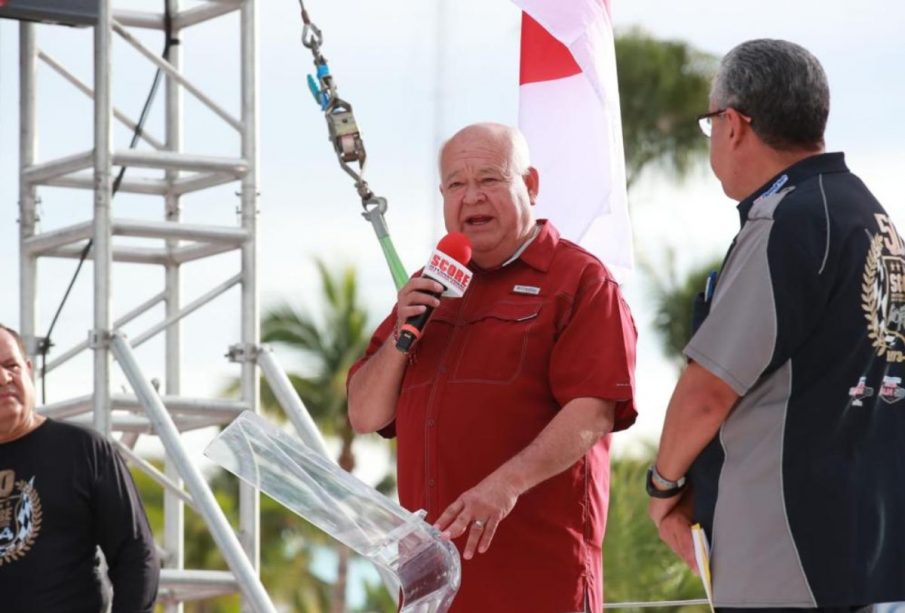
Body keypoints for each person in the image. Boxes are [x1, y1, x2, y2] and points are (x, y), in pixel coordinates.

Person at [647, 39, 905, 611]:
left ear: (734, 123)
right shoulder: (872, 217)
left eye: (710, 122)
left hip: (788, 560)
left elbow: (707, 393)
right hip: (874, 556)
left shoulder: (787, 222)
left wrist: (663, 486)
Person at [347, 122, 637, 612]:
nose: (471, 198)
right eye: (456, 185)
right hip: (432, 593)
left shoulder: (580, 281)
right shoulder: (429, 286)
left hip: (536, 587)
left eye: (489, 179)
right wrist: (401, 334)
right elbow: (364, 414)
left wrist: (505, 486)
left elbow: (593, 412)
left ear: (531, 185)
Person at [0, 323, 159, 612]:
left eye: (11, 366)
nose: (3, 377)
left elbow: (136, 554)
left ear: (29, 370)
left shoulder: (83, 449)